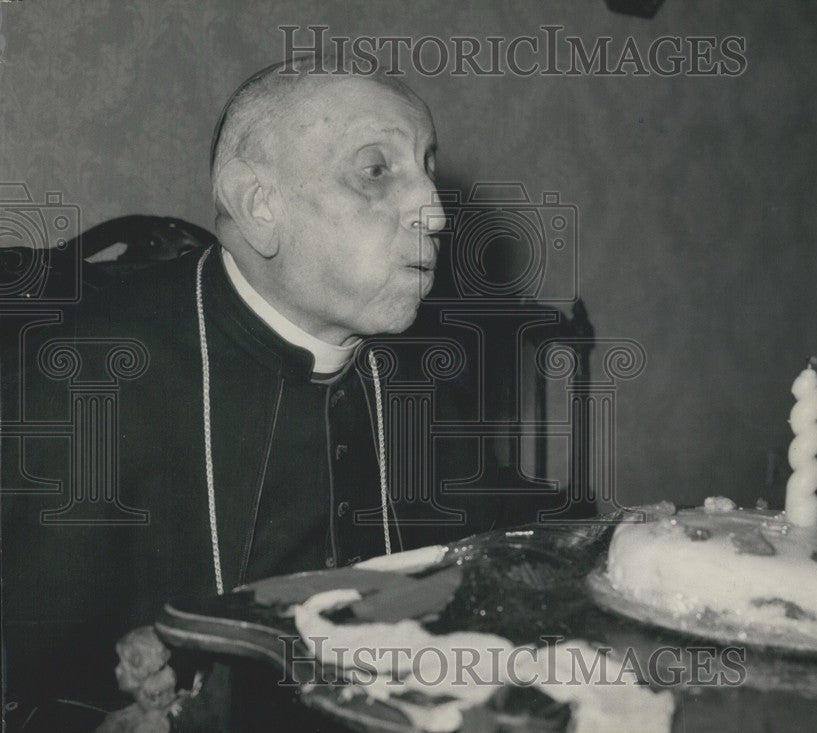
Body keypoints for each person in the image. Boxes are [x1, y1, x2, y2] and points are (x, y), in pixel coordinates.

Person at [1, 57, 567, 723]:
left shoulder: (416, 363)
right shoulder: (91, 373)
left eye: (427, 167)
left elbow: (478, 541)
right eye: (377, 170)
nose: (435, 212)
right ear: (261, 206)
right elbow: (39, 676)